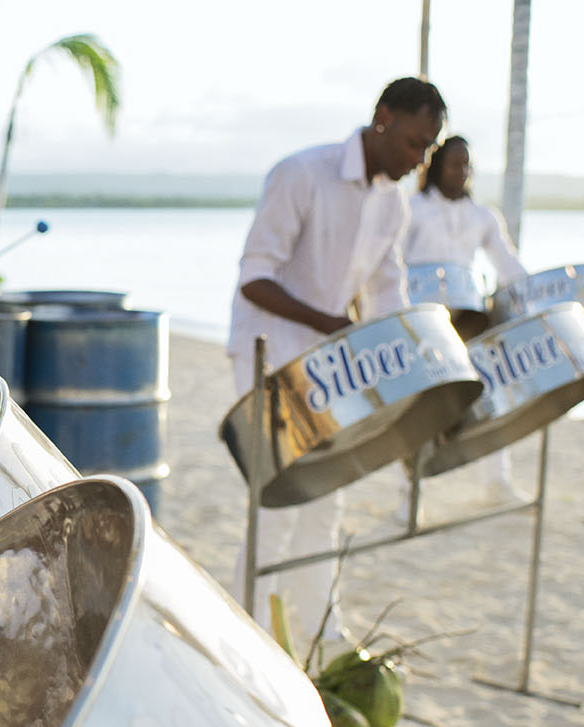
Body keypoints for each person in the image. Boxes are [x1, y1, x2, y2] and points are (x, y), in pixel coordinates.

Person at [226, 77, 447, 644]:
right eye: (413, 143)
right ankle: (245, 632)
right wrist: (334, 325)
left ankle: (322, 630)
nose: (419, 159)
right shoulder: (302, 173)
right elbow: (255, 277)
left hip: (328, 365)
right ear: (383, 119)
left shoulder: (393, 200)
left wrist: (406, 357)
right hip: (268, 354)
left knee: (327, 503)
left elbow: (384, 289)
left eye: (428, 149)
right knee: (275, 505)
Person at [405, 134, 530, 504]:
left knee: (489, 390)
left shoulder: (483, 216)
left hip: (469, 318)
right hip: (422, 322)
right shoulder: (413, 208)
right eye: (454, 164)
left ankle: (498, 483)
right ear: (438, 166)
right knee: (419, 402)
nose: (461, 172)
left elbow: (508, 265)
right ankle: (409, 494)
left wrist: (538, 295)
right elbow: (390, 264)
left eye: (467, 165)